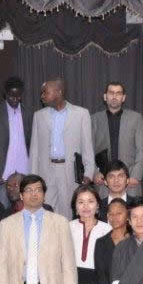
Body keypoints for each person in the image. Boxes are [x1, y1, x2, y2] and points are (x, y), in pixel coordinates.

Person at [28, 78, 96, 219]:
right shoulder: (38, 116)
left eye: (45, 92)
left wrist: (89, 173)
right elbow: (34, 150)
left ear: (58, 92)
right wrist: (33, 177)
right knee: (46, 213)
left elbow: (87, 146)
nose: (42, 96)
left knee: (68, 212)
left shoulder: (81, 114)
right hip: (46, 171)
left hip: (70, 171)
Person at [0, 76, 33, 208]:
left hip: (25, 172)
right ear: (5, 94)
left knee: (26, 210)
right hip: (2, 174)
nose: (15, 99)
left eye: (18, 96)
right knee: (3, 211)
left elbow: (32, 143)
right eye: (11, 96)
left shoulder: (29, 112)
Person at [91, 82, 143, 197]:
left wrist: (135, 176)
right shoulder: (94, 119)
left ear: (123, 97)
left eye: (118, 93)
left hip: (129, 179)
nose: (114, 96)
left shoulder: (136, 118)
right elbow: (88, 150)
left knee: (132, 208)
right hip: (103, 180)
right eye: (111, 93)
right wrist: (95, 173)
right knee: (104, 208)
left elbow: (142, 150)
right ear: (105, 97)